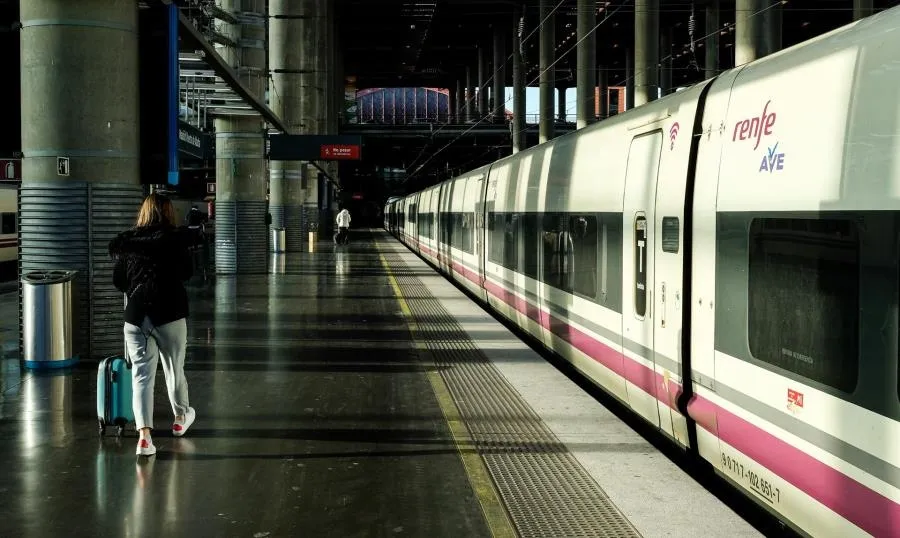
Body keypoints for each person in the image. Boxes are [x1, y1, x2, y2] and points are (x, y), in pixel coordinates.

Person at [109, 193, 201, 456]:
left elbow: (119, 281)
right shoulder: (175, 240)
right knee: (174, 370)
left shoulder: (128, 242)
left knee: (141, 376)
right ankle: (180, 419)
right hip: (169, 312)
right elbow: (187, 273)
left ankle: (144, 439)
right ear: (168, 213)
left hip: (137, 316)